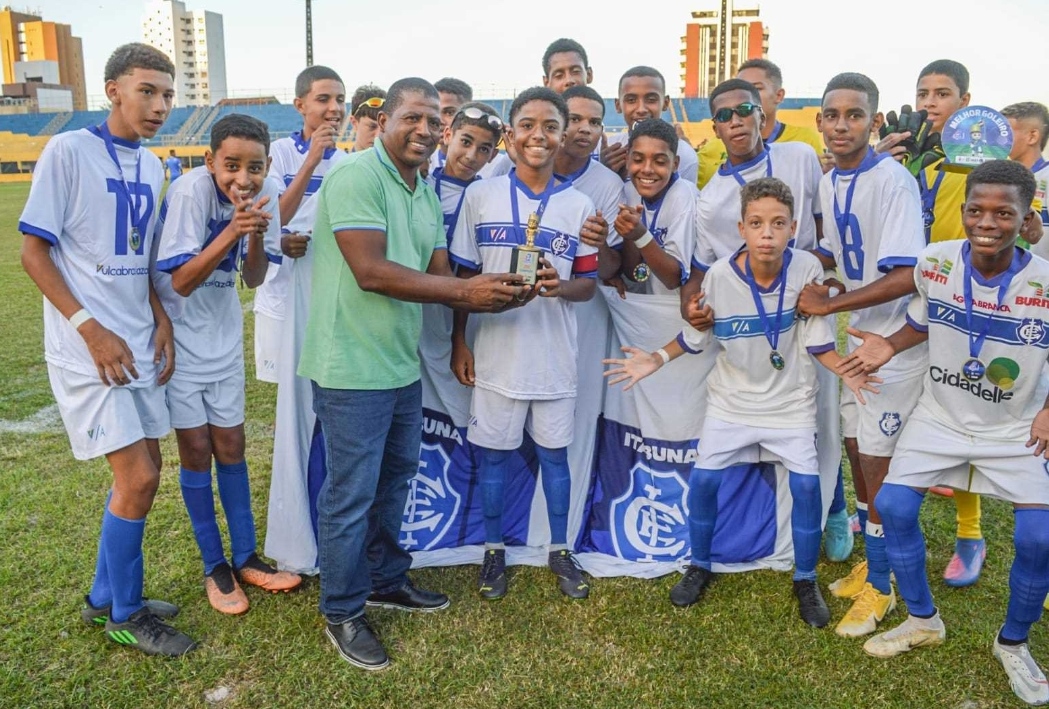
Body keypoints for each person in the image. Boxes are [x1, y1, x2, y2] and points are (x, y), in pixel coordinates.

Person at [297, 77, 533, 671]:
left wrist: (506, 291)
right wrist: (465, 288)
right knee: (351, 495)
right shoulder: (355, 176)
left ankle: (385, 580)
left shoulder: (422, 192)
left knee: (394, 483)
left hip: (399, 365)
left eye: (434, 122)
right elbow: (371, 271)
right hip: (349, 366)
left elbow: (441, 272)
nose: (425, 130)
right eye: (413, 118)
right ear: (385, 118)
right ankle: (343, 608)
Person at [604, 177, 878, 627]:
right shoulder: (718, 276)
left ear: (792, 228)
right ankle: (700, 565)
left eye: (777, 223)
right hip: (731, 403)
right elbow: (696, 336)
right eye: (756, 223)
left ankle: (805, 579)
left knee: (807, 488)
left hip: (790, 404)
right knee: (706, 482)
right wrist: (654, 359)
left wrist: (846, 368)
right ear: (741, 228)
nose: (766, 233)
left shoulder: (807, 269)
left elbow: (816, 343)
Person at [841, 160, 1049, 708]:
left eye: (1004, 212)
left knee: (1038, 539)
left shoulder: (1045, 280)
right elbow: (923, 319)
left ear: (1025, 217)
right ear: (962, 212)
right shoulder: (935, 262)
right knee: (896, 506)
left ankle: (1014, 644)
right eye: (977, 209)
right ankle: (922, 619)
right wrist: (889, 344)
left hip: (1013, 424)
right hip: (940, 416)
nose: (988, 221)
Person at [19, 42, 195, 656]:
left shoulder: (154, 167)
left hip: (138, 340)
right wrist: (89, 327)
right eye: (147, 91)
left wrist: (158, 320)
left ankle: (102, 597)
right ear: (113, 89)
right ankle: (127, 612)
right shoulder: (68, 150)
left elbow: (142, 261)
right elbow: (33, 252)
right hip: (89, 347)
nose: (159, 105)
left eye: (168, 95)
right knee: (139, 477)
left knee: (148, 472)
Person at [681, 76, 848, 560]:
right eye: (725, 115)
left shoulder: (798, 157)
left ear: (762, 113)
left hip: (805, 305)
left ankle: (835, 511)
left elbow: (826, 227)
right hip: (758, 328)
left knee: (823, 423)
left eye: (744, 109)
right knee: (800, 429)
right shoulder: (710, 199)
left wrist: (825, 280)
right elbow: (706, 272)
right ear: (714, 126)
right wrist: (693, 308)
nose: (736, 121)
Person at [449, 86, 599, 601]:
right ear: (510, 136)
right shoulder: (480, 195)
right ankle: (495, 550)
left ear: (562, 136)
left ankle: (560, 549)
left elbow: (588, 283)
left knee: (555, 457)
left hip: (554, 356)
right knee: (494, 458)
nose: (540, 135)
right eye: (529, 125)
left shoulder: (580, 205)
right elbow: (464, 277)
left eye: (550, 126)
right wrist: (458, 343)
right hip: (495, 354)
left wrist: (563, 287)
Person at [154, 113, 302, 614]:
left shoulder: (268, 191)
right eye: (232, 165)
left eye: (255, 166)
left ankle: (247, 556)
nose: (245, 177)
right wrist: (232, 231)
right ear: (210, 160)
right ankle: (214, 566)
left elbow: (255, 278)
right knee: (196, 452)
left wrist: (256, 232)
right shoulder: (192, 192)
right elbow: (179, 282)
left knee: (232, 446)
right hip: (179, 339)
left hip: (221, 338)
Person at [797, 72, 928, 639]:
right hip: (860, 338)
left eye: (855, 115)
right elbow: (833, 250)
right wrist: (825, 280)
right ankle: (878, 563)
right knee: (856, 451)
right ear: (821, 121)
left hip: (894, 343)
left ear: (874, 122)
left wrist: (835, 303)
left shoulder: (892, 181)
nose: (842, 124)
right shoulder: (830, 180)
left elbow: (907, 274)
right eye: (832, 114)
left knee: (878, 461)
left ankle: (884, 582)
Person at [253, 65, 347, 384]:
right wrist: (312, 160)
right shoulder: (277, 153)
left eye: (340, 99)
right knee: (286, 395)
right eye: (323, 99)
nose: (334, 108)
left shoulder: (348, 163)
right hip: (279, 294)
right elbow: (275, 217)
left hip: (325, 294)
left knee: (321, 386)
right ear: (300, 105)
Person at [697, 59, 827, 189]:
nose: (745, 95)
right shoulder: (710, 150)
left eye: (756, 88)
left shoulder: (804, 144)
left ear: (779, 95)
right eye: (741, 88)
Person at [612, 118, 696, 296]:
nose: (647, 169)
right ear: (627, 160)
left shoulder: (684, 196)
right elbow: (633, 273)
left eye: (659, 161)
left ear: (675, 164)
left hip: (677, 310)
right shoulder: (628, 191)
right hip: (649, 307)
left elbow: (673, 279)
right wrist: (630, 237)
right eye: (638, 159)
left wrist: (640, 236)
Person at [556, 84, 624, 282]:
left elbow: (609, 271)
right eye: (575, 119)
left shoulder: (610, 184)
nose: (585, 129)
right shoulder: (525, 171)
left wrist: (599, 244)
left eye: (594, 122)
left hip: (585, 308)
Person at [601, 66, 699, 186]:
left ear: (666, 103)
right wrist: (604, 173)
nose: (641, 109)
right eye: (631, 100)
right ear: (618, 105)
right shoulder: (610, 148)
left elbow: (682, 199)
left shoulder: (684, 154)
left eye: (651, 100)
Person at [1003, 102, 1049, 258]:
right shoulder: (999, 180)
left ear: (1032, 136)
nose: (999, 139)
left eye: (1006, 132)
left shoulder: (1046, 178)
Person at [427, 77, 473, 176]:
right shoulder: (423, 163)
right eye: (435, 111)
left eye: (449, 112)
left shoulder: (496, 165)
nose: (439, 120)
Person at [348, 84, 385, 152]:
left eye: (383, 128)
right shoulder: (339, 162)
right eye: (372, 127)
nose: (378, 136)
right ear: (354, 123)